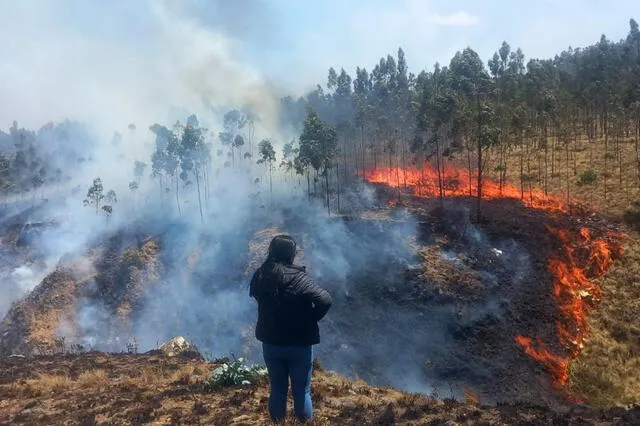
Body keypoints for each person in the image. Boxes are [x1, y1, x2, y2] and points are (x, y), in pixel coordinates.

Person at [250, 234, 332, 423]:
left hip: (271, 343)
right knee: (301, 391)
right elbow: (325, 300)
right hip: (299, 344)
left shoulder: (261, 275)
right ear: (291, 254)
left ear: (271, 251)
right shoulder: (299, 278)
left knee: (277, 388)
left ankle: (278, 423)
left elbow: (256, 295)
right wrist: (311, 318)